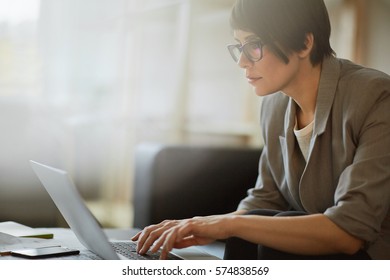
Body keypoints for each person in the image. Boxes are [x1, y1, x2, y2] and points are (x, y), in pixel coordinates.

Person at [132, 0, 390, 260]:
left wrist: (228, 224)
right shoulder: (274, 106)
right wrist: (200, 224)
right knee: (251, 229)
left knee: (257, 233)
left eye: (254, 45)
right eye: (239, 47)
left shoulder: (375, 96)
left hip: (372, 259)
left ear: (304, 43)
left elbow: (349, 231)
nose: (242, 62)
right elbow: (266, 200)